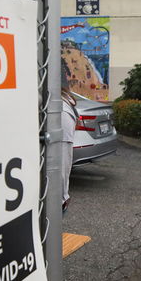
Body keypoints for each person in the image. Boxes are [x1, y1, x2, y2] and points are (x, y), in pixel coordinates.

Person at [57, 76, 79, 212]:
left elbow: (62, 158)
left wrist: (62, 196)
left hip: (55, 199)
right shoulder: (63, 103)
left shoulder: (60, 108)